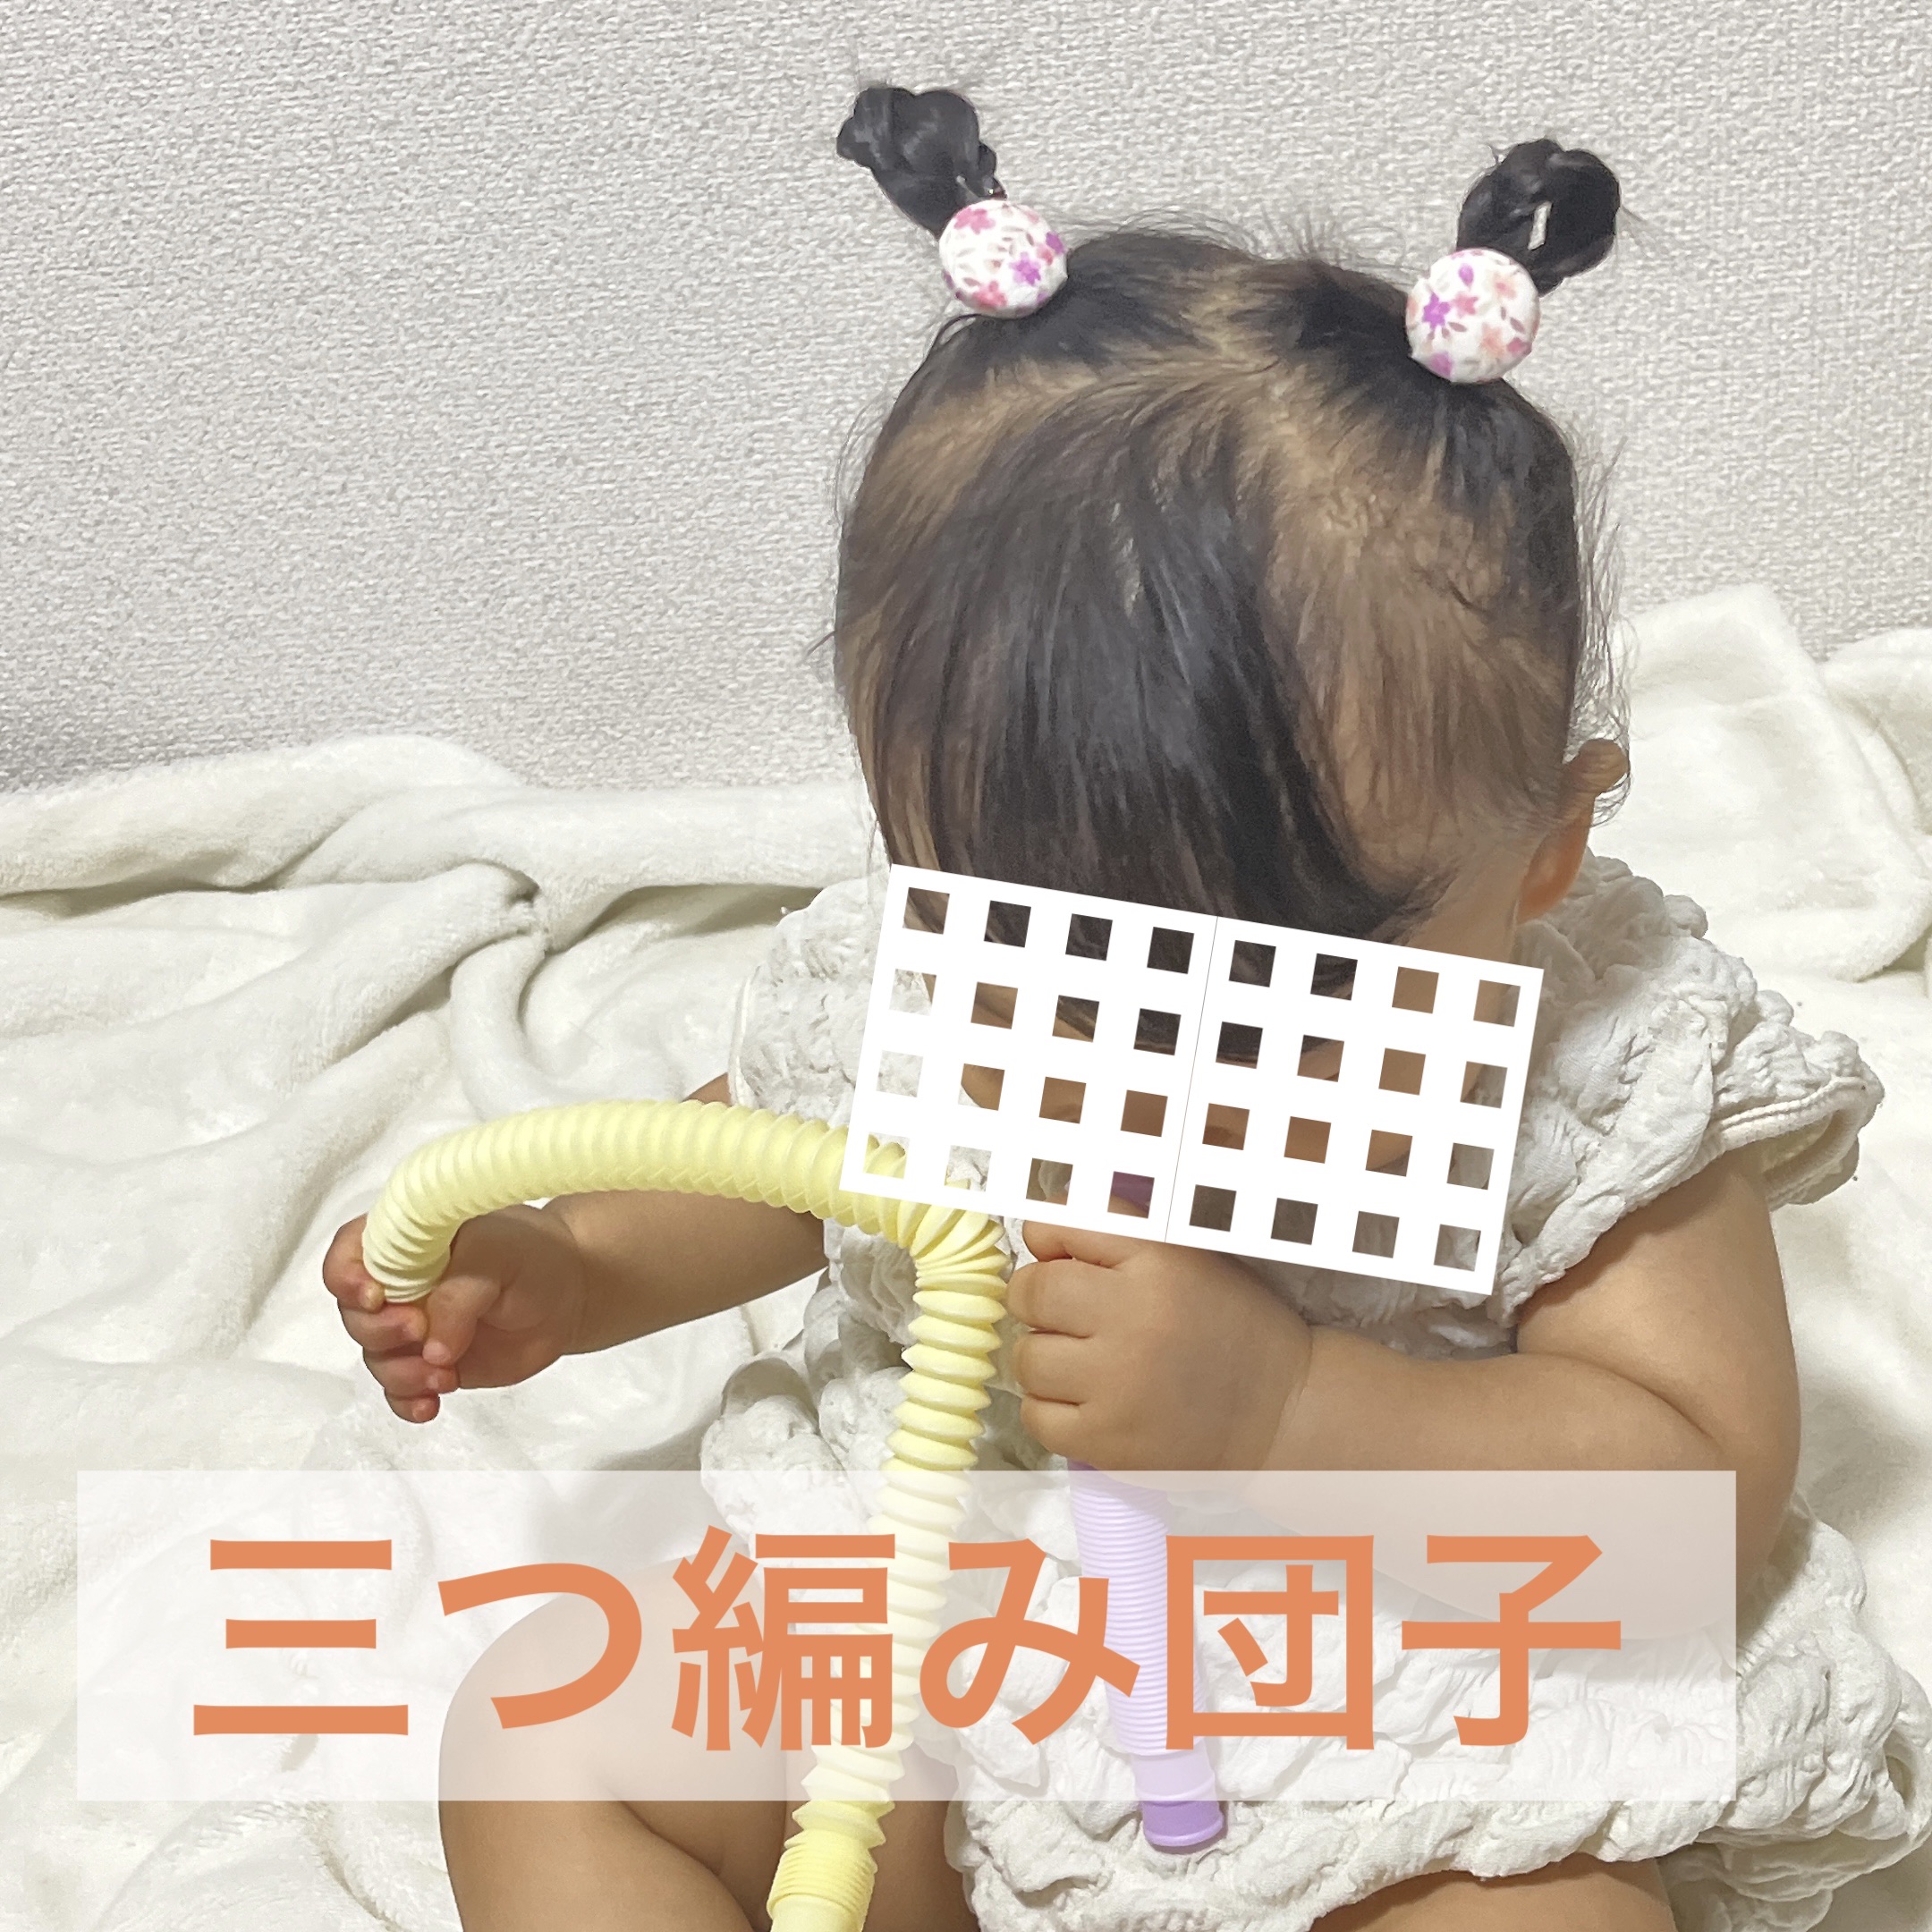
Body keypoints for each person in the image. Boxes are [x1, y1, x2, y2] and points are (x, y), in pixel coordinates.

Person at [321, 84, 1932, 1932]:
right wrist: (571, 1268)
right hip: (958, 1618)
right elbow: (778, 1159)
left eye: (1281, 985)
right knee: (541, 1734)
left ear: (1549, 845)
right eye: (1040, 948)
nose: (1140, 1043)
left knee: (1556, 1918)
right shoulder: (934, 977)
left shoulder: (1592, 1070)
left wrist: (1293, 1410)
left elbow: (1685, 1502)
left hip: (1405, 1711)